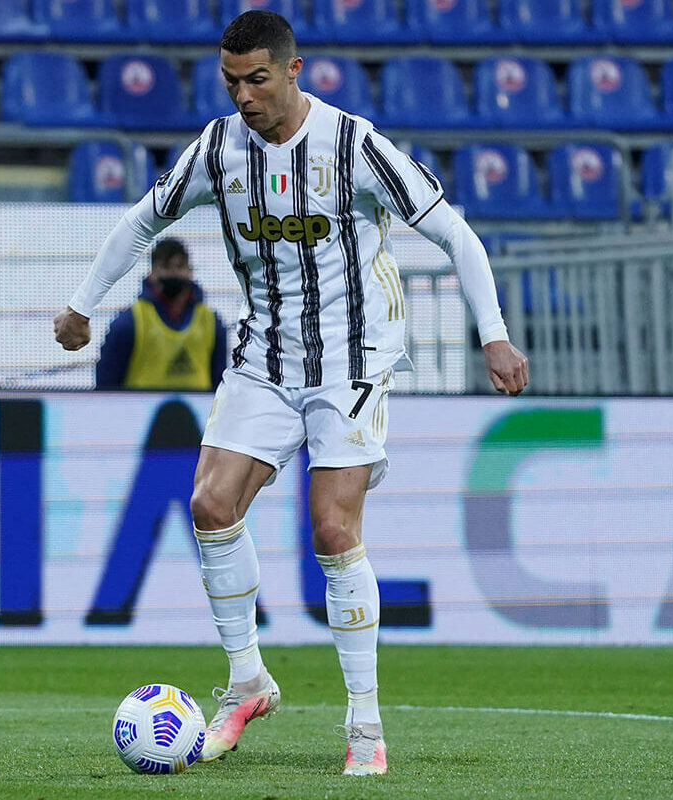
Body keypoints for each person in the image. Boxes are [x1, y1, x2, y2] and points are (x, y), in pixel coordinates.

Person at [54, 10, 528, 777]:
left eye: (258, 80)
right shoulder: (217, 148)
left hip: (354, 357)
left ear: (294, 70)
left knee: (332, 529)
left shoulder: (353, 145)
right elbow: (143, 222)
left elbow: (455, 235)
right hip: (266, 357)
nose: (244, 97)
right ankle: (248, 680)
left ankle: (366, 726)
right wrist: (81, 304)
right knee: (210, 505)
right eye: (232, 82)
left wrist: (493, 332)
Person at [95, 237, 228, 391]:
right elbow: (106, 389)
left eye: (179, 266)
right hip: (140, 414)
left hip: (198, 414)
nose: (173, 273)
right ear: (152, 272)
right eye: (165, 267)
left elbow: (220, 383)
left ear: (190, 270)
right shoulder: (128, 322)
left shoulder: (211, 321)